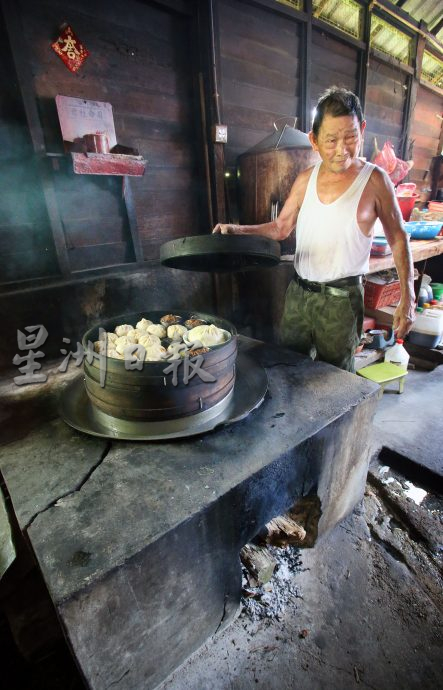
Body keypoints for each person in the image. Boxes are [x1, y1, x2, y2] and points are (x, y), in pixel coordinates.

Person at [213, 87, 415, 372]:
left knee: (335, 381)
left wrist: (407, 299)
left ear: (362, 130)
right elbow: (280, 227)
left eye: (350, 137)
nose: (341, 150)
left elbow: (398, 237)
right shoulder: (306, 178)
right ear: (315, 140)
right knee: (288, 367)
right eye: (331, 140)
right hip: (299, 294)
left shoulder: (375, 180)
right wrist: (237, 230)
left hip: (342, 301)